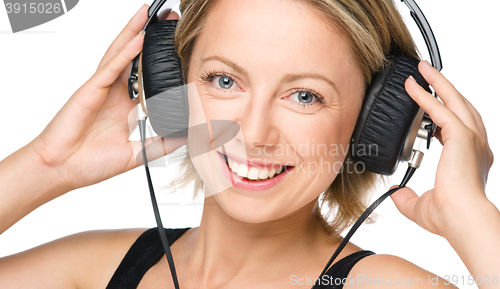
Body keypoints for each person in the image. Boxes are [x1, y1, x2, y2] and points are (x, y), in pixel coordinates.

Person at [0, 0, 498, 288]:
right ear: (171, 88)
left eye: (305, 95)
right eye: (222, 81)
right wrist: (48, 165)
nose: (254, 134)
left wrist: (470, 214)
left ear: (376, 125)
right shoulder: (100, 270)